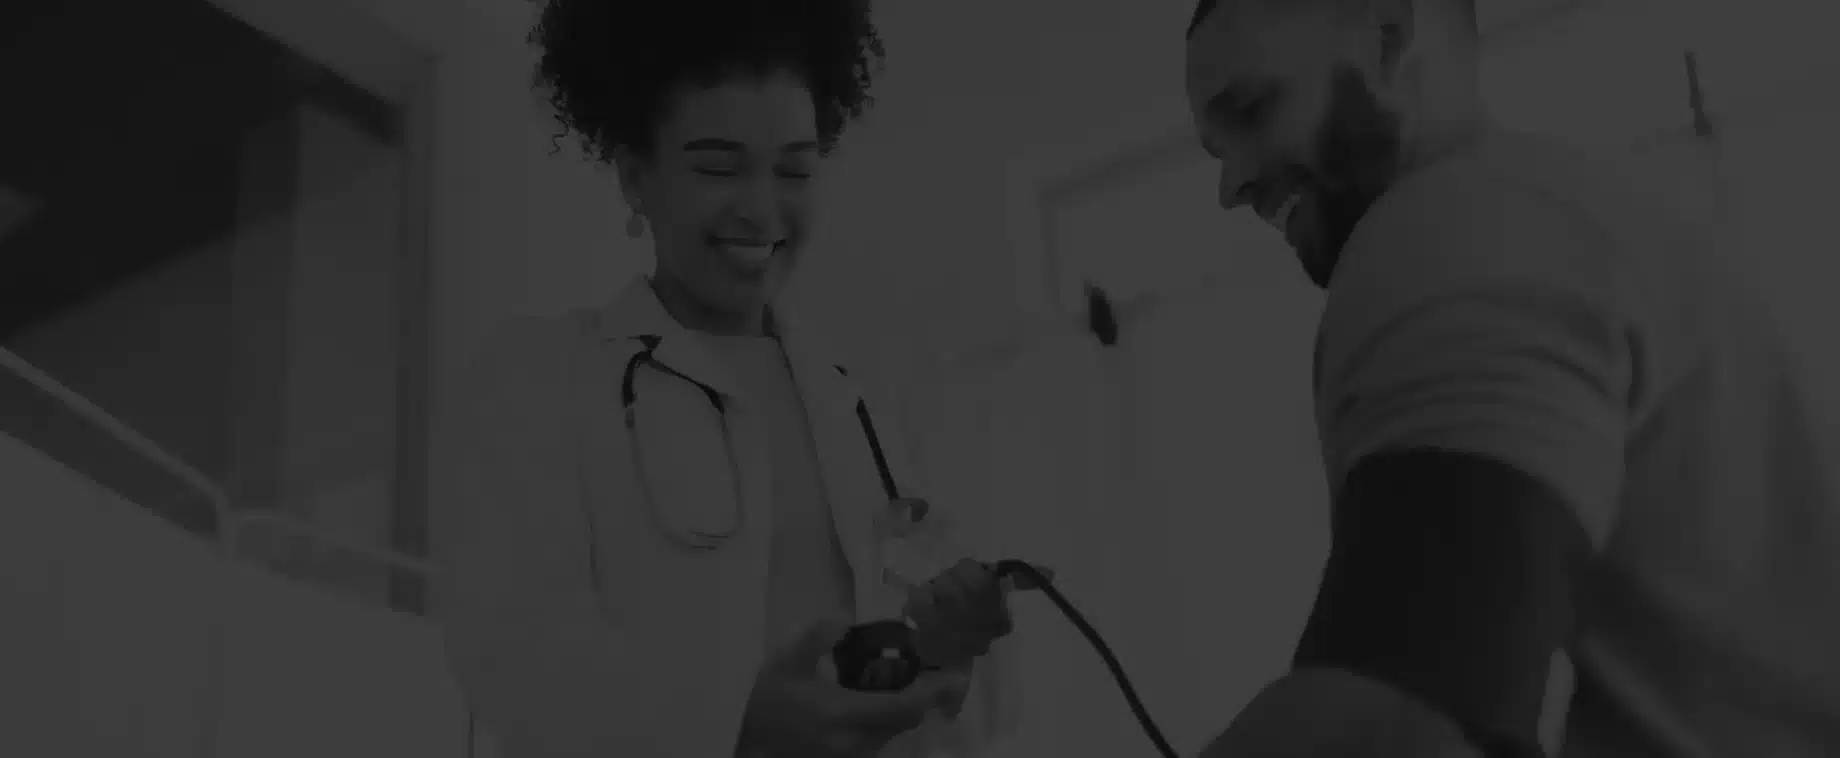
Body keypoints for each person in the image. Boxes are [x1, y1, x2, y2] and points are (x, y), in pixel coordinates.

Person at [1179, 0, 1840, 756]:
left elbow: (1397, 728)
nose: (1229, 186)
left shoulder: (1447, 231)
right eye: (1214, 148)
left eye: (1254, 108)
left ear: (1390, 38)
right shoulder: (1572, 216)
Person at [433, 1, 1023, 756]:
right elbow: (512, 652)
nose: (762, 209)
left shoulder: (862, 406)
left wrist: (951, 647)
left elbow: (954, 704)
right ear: (634, 175)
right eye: (718, 166)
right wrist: (734, 723)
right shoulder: (540, 380)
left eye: (795, 169)